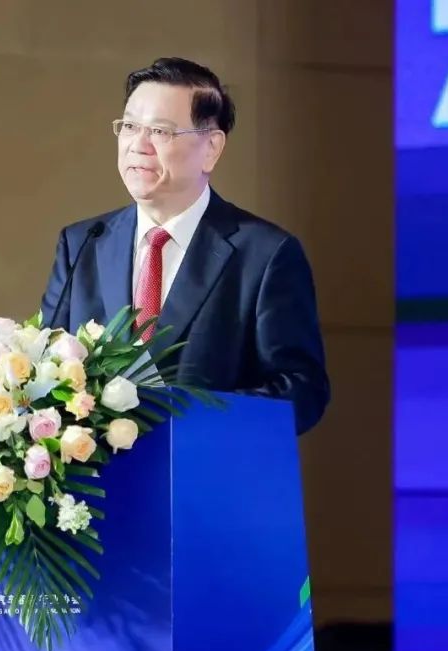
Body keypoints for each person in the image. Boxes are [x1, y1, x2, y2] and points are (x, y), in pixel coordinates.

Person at [40, 57, 329, 435]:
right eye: (129, 126)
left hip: (208, 467)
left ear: (211, 148)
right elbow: (45, 366)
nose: (138, 145)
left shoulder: (265, 254)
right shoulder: (83, 243)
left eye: (160, 131)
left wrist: (190, 421)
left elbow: (302, 391)